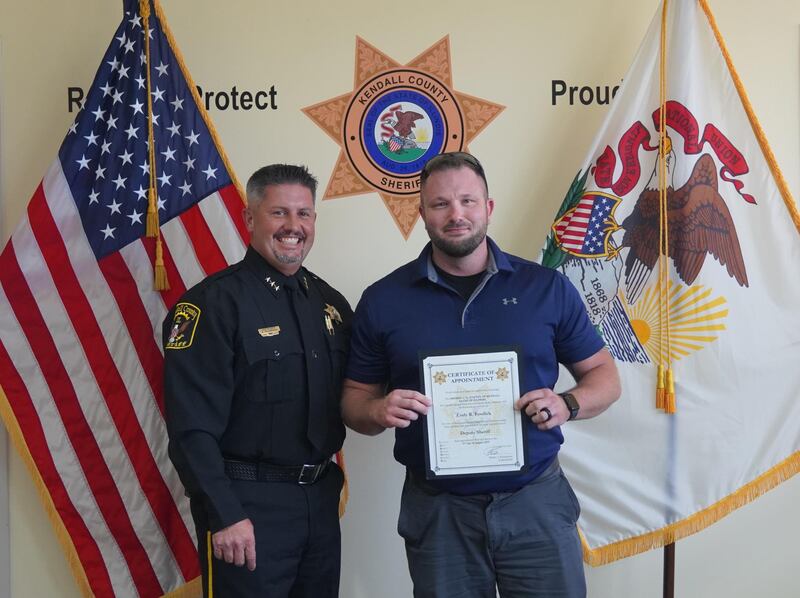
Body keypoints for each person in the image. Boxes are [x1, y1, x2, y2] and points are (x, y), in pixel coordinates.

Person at [342, 152, 621, 598]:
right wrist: (377, 409)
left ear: (488, 207)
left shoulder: (545, 288)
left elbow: (604, 376)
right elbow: (355, 400)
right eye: (440, 204)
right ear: (422, 213)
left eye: (468, 201)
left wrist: (566, 404)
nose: (456, 215)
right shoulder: (383, 300)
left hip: (535, 501)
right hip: (438, 511)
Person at [163, 164, 352, 598]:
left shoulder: (330, 304)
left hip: (319, 503)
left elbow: (358, 389)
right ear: (250, 219)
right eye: (279, 213)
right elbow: (191, 430)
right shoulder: (212, 305)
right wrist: (224, 514)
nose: (293, 227)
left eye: (304, 214)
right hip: (247, 505)